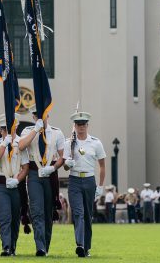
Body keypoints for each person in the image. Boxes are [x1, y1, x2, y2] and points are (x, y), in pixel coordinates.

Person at [18, 107, 65, 257]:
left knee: (48, 211)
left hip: (50, 174)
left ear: (48, 115)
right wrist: (36, 130)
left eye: (42, 114)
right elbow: (21, 146)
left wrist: (53, 168)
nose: (40, 117)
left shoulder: (57, 132)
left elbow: (62, 156)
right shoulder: (27, 131)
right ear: (33, 116)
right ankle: (40, 247)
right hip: (34, 173)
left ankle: (46, 244)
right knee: (37, 210)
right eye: (37, 115)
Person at [62, 110, 106, 258]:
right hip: (74, 180)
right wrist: (68, 163)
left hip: (89, 180)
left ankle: (86, 247)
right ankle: (80, 244)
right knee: (78, 213)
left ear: (87, 125)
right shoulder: (69, 143)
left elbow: (102, 166)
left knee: (87, 215)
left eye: (83, 124)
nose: (81, 127)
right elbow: (66, 167)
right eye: (78, 124)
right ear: (74, 126)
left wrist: (100, 186)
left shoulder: (95, 142)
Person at [0, 114, 28, 257]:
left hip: (16, 184)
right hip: (1, 184)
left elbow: (25, 167)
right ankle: (6, 247)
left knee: (14, 217)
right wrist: (3, 145)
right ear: (0, 131)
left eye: (10, 129)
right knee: (5, 216)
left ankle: (13, 246)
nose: (7, 131)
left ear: (15, 128)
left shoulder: (21, 144)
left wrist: (17, 180)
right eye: (4, 129)